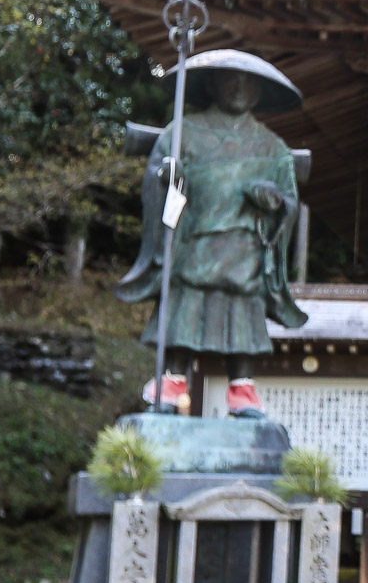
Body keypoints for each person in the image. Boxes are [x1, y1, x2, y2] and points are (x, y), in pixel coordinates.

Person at [116, 50, 307, 418]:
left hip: (244, 249)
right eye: (231, 80)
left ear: (259, 93)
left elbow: (290, 201)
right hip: (194, 241)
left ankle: (243, 389)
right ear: (212, 84)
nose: (238, 87)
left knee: (243, 317)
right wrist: (167, 177)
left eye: (248, 83)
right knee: (184, 310)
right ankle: (172, 382)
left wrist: (274, 204)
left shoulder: (273, 147)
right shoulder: (181, 132)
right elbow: (157, 177)